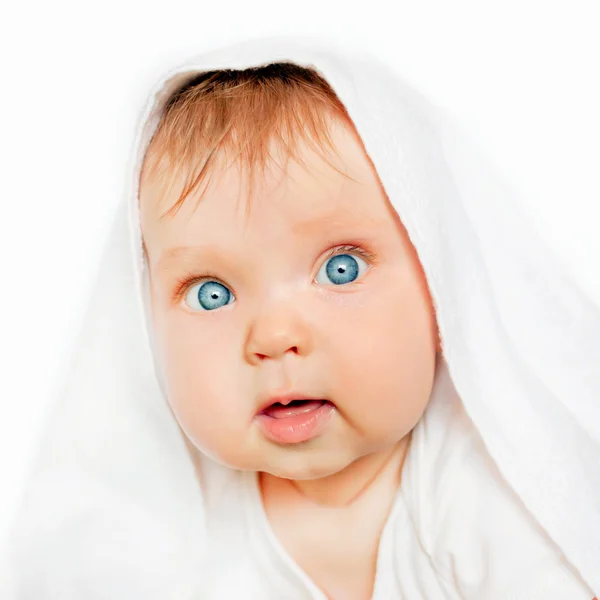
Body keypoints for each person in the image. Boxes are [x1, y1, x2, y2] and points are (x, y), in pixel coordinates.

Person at [6, 35, 600, 599]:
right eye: (211, 293)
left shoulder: (485, 486)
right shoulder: (163, 531)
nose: (274, 337)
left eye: (341, 269)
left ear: (442, 286)